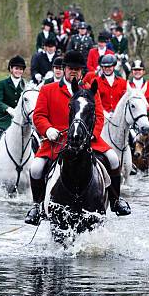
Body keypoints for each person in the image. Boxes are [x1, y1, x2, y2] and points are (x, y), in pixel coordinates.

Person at [24, 50, 131, 225]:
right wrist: (48, 129)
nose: (73, 71)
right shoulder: (47, 89)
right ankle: (37, 206)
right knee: (35, 168)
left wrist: (92, 136)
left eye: (77, 69)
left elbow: (99, 116)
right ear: (64, 69)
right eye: (70, 68)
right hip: (56, 142)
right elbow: (39, 116)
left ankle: (115, 201)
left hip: (87, 140)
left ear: (82, 71)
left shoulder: (89, 91)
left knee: (113, 159)